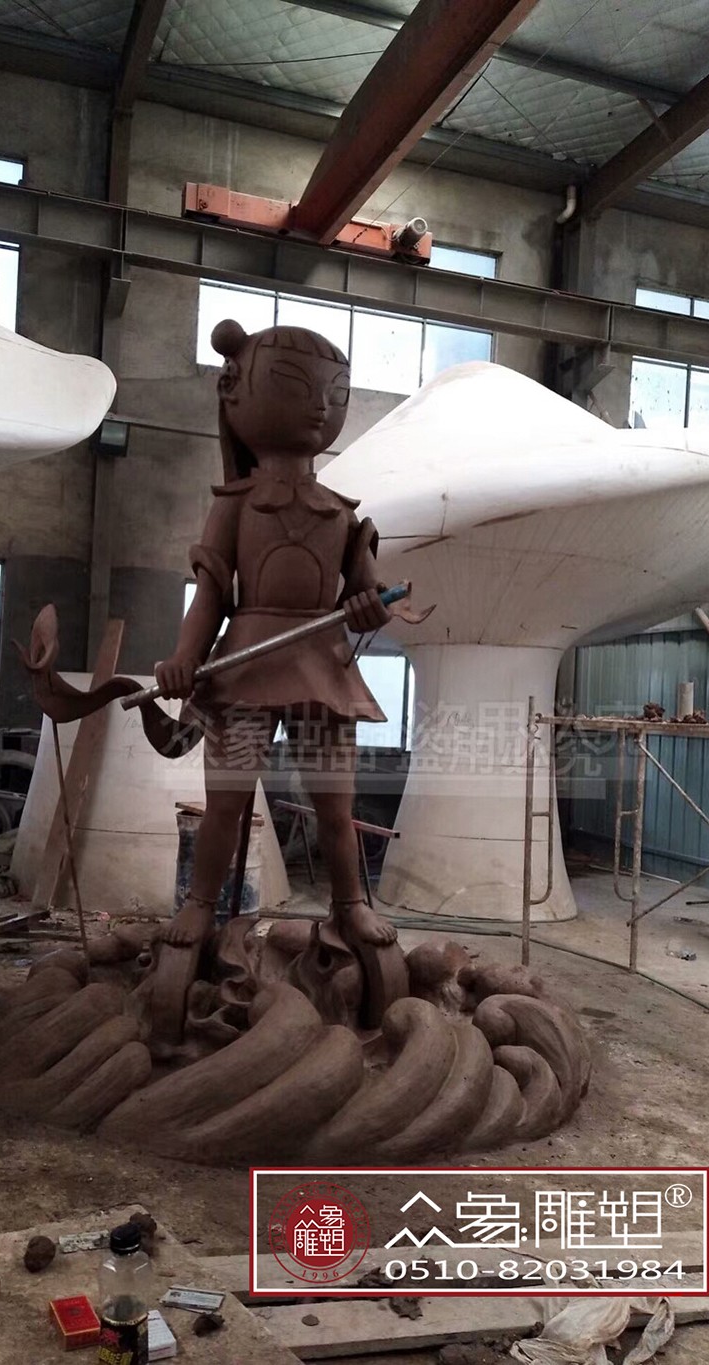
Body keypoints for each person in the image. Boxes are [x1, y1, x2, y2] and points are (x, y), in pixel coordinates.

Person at [155, 318, 398, 951]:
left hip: (323, 670)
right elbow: (212, 594)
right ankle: (201, 905)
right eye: (296, 387)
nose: (319, 406)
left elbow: (369, 596)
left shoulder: (342, 513)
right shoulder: (235, 503)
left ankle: (349, 906)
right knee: (227, 803)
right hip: (246, 667)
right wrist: (185, 655)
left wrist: (370, 607)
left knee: (335, 808)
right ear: (236, 393)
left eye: (334, 394)